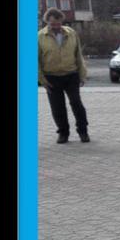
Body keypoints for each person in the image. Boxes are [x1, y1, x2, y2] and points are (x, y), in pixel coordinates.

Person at [38, 8, 90, 144]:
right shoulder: (39, 36)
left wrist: (82, 75)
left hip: (71, 75)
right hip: (51, 77)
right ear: (47, 22)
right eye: (52, 24)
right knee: (57, 107)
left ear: (62, 21)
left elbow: (78, 54)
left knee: (76, 103)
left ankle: (83, 131)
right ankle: (63, 133)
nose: (56, 27)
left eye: (58, 23)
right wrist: (42, 80)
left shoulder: (71, 33)